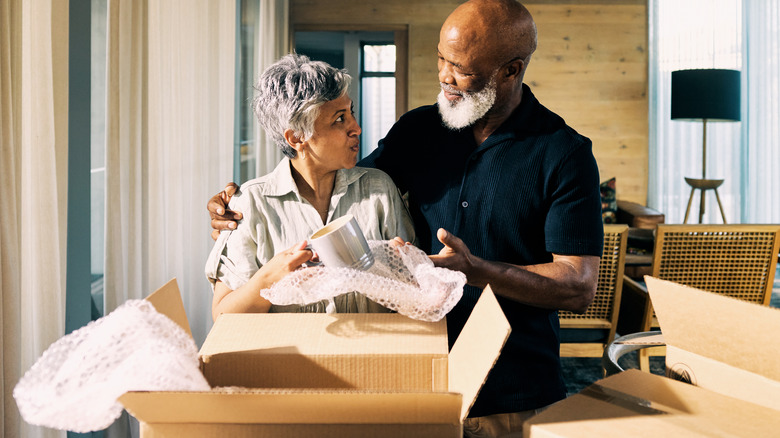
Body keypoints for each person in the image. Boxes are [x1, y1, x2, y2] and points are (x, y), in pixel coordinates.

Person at [209, 1, 603, 436]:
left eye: (461, 67)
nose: (444, 76)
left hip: (513, 387)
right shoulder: (419, 131)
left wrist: (476, 271)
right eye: (441, 58)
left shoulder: (564, 153)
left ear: (510, 70)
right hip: (413, 380)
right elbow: (334, 177)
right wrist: (237, 201)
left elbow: (577, 286)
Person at [205, 54, 416, 321]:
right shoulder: (251, 203)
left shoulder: (378, 190)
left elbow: (414, 296)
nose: (357, 128)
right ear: (297, 137)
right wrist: (268, 278)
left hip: (371, 357)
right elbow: (222, 315)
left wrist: (402, 273)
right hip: (290, 362)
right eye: (339, 119)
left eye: (351, 112)